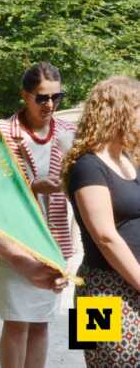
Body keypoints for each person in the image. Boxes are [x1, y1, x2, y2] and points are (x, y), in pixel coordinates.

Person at [0, 62, 75, 368]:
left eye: (56, 97)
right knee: (17, 322)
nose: (50, 105)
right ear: (25, 96)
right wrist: (33, 186)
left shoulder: (68, 133)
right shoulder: (2, 132)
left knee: (42, 322)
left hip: (51, 242)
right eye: (42, 97)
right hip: (12, 242)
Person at [62, 76, 140, 367]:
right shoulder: (86, 166)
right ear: (119, 112)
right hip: (99, 290)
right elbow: (105, 237)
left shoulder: (129, 160)